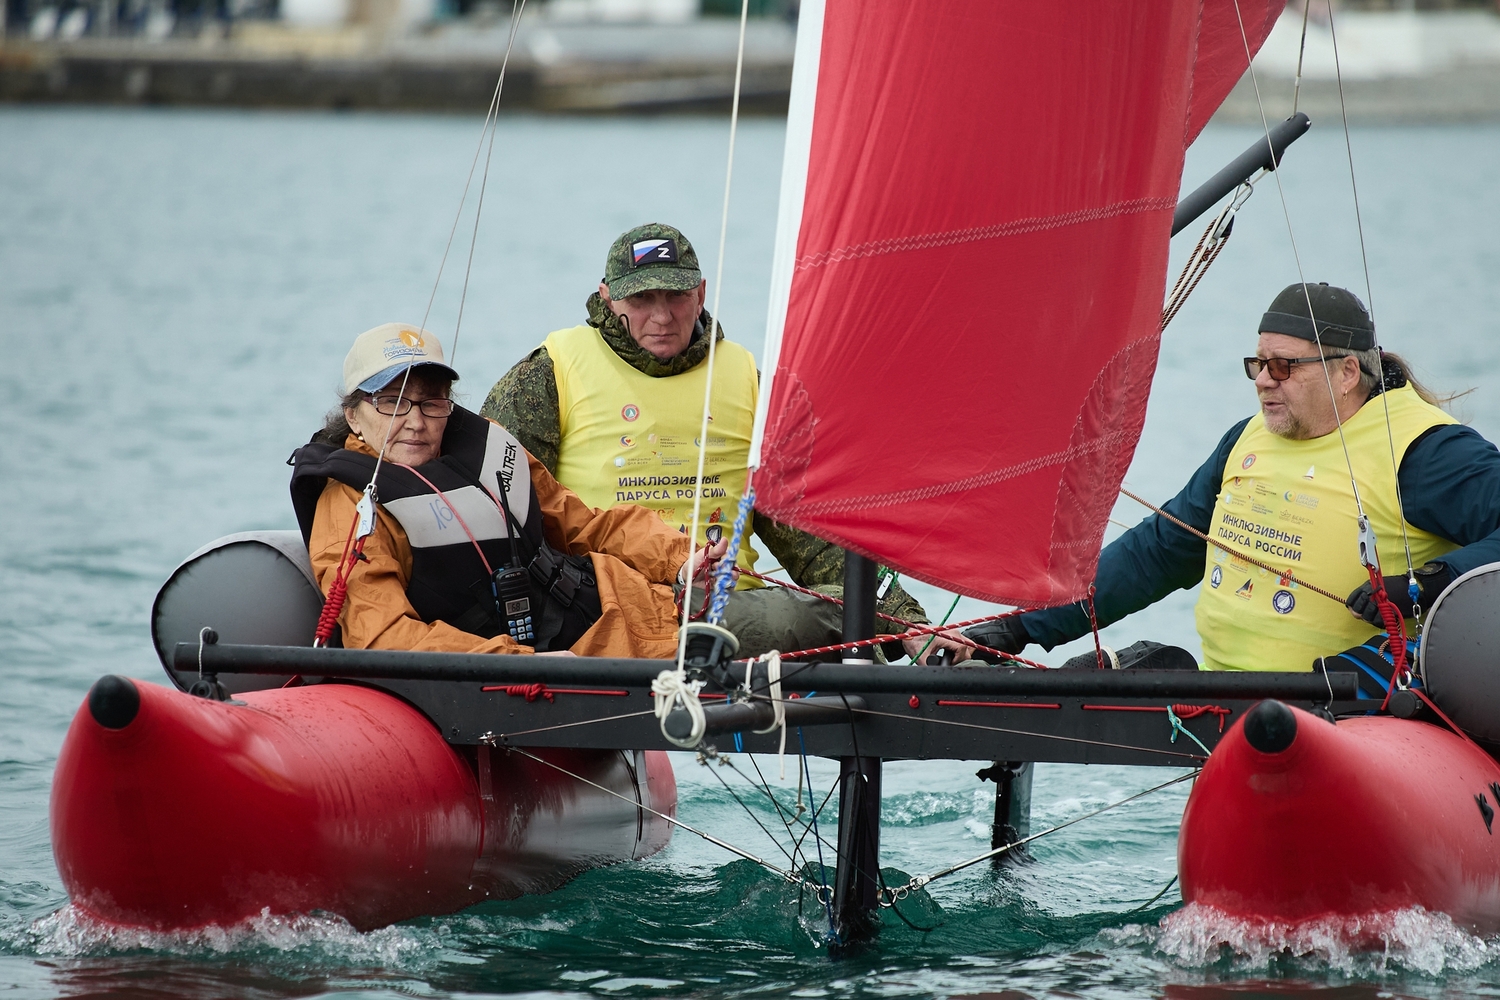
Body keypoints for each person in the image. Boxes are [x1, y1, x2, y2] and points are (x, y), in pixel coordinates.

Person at [481, 222, 970, 663]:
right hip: (605, 603)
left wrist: (912, 623)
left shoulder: (746, 381)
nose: (661, 316)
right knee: (839, 621)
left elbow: (814, 536)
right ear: (608, 298)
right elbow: (495, 507)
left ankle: (945, 657)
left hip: (732, 608)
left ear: (700, 293)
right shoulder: (549, 372)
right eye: (642, 299)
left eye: (675, 296)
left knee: (855, 611)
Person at [965, 283, 1500, 672]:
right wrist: (1019, 627)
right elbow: (1158, 553)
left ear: (1346, 373)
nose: (1264, 381)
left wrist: (1426, 583)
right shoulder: (1246, 440)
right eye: (1257, 364)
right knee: (1117, 672)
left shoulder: (1425, 451)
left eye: (1284, 366)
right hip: (1232, 702)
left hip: (1353, 705)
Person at [290, 322, 804, 659]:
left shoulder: (486, 449)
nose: (416, 421)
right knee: (810, 624)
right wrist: (526, 664)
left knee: (822, 619)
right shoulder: (352, 506)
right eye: (392, 402)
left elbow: (586, 525)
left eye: (432, 402)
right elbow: (381, 635)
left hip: (632, 610)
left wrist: (681, 558)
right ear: (353, 414)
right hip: (587, 655)